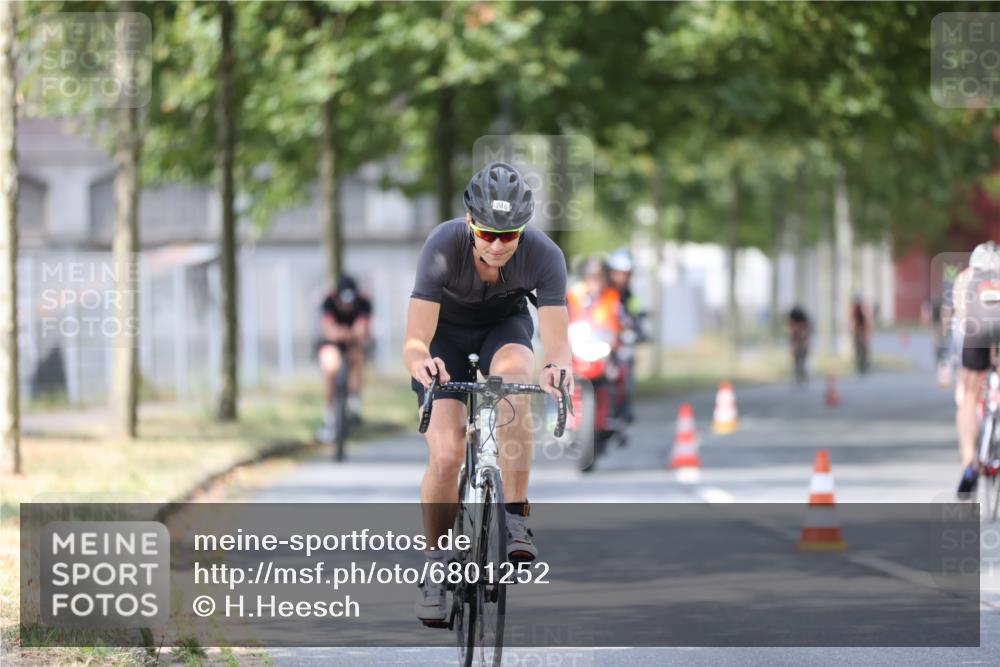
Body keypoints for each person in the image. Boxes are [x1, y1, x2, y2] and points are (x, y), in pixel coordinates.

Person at [403, 161, 571, 626]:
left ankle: (514, 514)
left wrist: (557, 370)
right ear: (470, 224)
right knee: (446, 455)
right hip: (445, 341)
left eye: (509, 234)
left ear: (523, 230)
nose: (498, 245)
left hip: (504, 328)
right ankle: (436, 565)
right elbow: (416, 340)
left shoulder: (544, 255)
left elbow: (557, 344)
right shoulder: (442, 246)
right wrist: (422, 363)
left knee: (517, 381)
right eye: (487, 233)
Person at [953, 241, 1000, 500]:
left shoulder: (966, 277)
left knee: (969, 394)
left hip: (976, 330)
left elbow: (962, 318)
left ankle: (970, 460)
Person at [315, 275, 371, 443]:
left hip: (354, 343)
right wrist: (344, 333)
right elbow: (328, 330)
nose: (347, 305)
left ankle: (354, 403)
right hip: (332, 343)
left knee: (358, 358)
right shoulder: (328, 302)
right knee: (330, 365)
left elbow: (362, 329)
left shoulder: (364, 303)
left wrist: (347, 333)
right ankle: (330, 414)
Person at [786, 305, 813, 384]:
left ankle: (804, 374)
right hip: (796, 340)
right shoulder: (791, 323)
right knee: (796, 359)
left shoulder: (804, 322)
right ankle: (797, 375)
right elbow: (791, 335)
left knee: (803, 358)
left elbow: (806, 334)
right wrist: (792, 346)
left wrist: (806, 344)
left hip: (803, 339)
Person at [849, 294, 873, 374]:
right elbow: (853, 320)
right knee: (859, 349)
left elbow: (866, 322)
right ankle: (860, 364)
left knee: (863, 349)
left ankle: (864, 364)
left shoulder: (862, 309)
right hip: (858, 332)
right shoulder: (855, 309)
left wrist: (866, 333)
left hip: (862, 332)